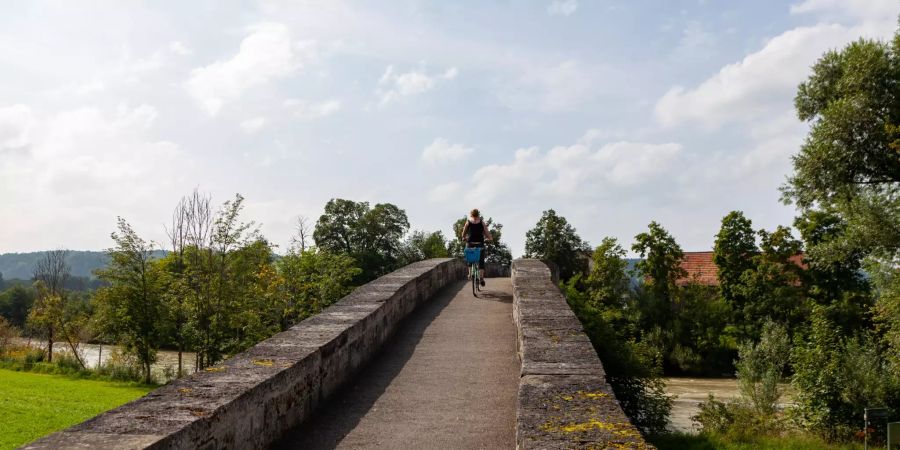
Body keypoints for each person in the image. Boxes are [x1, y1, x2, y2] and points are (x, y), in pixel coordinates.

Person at [461, 208, 493, 286]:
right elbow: (486, 232)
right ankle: (481, 278)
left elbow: (463, 233)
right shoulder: (482, 222)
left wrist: (463, 237)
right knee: (481, 260)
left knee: (469, 258)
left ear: (471, 215)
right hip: (479, 243)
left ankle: (469, 274)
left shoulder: (468, 222)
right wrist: (490, 238)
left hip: (470, 243)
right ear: (478, 214)